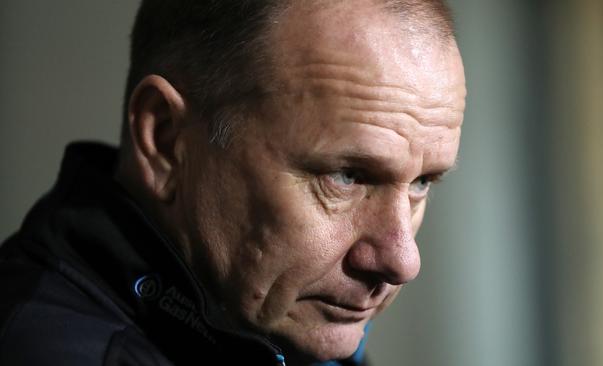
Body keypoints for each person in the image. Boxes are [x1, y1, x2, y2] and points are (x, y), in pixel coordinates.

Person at [0, 0, 465, 365]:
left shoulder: (275, 329)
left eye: (422, 182)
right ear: (166, 141)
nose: (402, 260)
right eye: (345, 176)